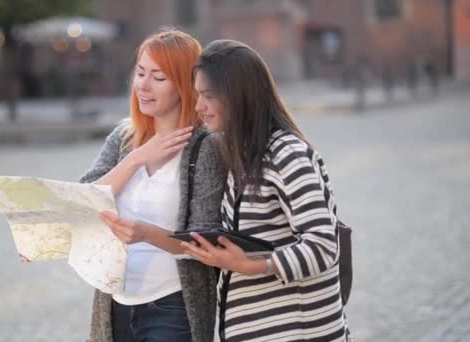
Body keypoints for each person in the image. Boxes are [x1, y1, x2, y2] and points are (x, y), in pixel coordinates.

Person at [183, 39, 352, 341]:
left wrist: (253, 266)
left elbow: (324, 245)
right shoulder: (243, 157)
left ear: (239, 96)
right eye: (198, 95)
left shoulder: (286, 154)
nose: (199, 107)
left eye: (208, 96)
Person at [79, 29, 226, 342]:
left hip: (173, 306)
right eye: (140, 73)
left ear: (185, 84)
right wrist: (135, 159)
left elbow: (204, 243)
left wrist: (146, 234)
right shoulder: (124, 138)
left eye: (158, 77)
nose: (143, 86)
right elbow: (82, 200)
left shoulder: (206, 147)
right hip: (115, 302)